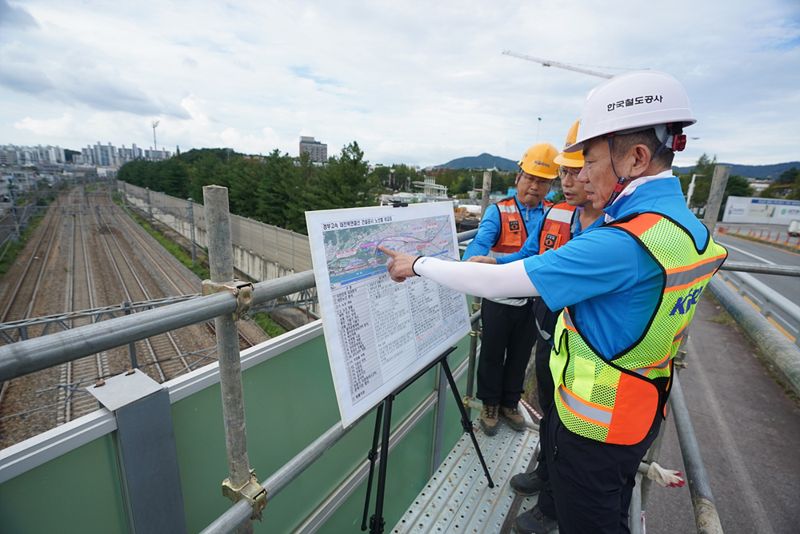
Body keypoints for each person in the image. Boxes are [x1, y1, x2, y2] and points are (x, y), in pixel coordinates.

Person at [380, 71, 727, 533]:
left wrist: (418, 264)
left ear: (637, 158)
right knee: (611, 508)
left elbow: (503, 281)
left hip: (593, 424)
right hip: (638, 406)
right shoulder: (687, 228)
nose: (580, 177)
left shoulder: (625, 243)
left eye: (591, 162)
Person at [471, 120, 604, 532]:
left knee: (563, 409)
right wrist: (487, 263)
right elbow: (526, 255)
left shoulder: (606, 223)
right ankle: (502, 419)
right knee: (505, 364)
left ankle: (550, 492)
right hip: (533, 316)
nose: (561, 182)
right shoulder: (527, 214)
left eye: (569, 173)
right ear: (519, 178)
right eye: (554, 174)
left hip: (573, 332)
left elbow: (539, 264)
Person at [462, 142, 559, 436]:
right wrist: (474, 261)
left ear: (550, 185)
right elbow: (480, 242)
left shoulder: (555, 215)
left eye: (542, 181)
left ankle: (509, 402)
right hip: (499, 298)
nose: (534, 186)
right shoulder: (499, 212)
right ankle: (490, 404)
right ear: (518, 177)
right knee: (492, 352)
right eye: (530, 178)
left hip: (533, 300)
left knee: (520, 354)